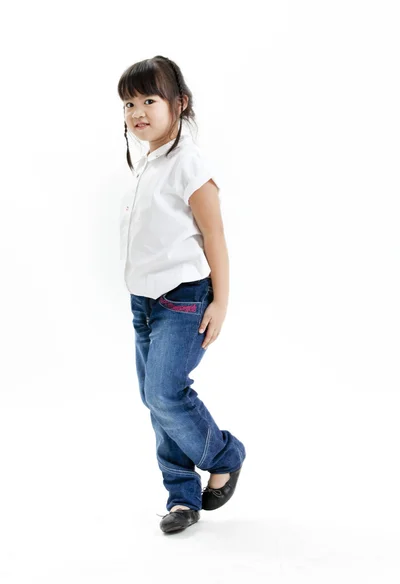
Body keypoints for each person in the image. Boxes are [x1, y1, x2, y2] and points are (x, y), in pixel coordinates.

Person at [117, 55, 246, 534]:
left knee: (165, 394)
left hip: (183, 299)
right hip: (144, 304)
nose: (137, 112)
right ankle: (182, 497)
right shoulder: (148, 161)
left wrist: (221, 303)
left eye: (149, 99)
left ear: (179, 103)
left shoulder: (189, 163)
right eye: (129, 103)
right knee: (156, 401)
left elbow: (215, 236)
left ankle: (225, 454)